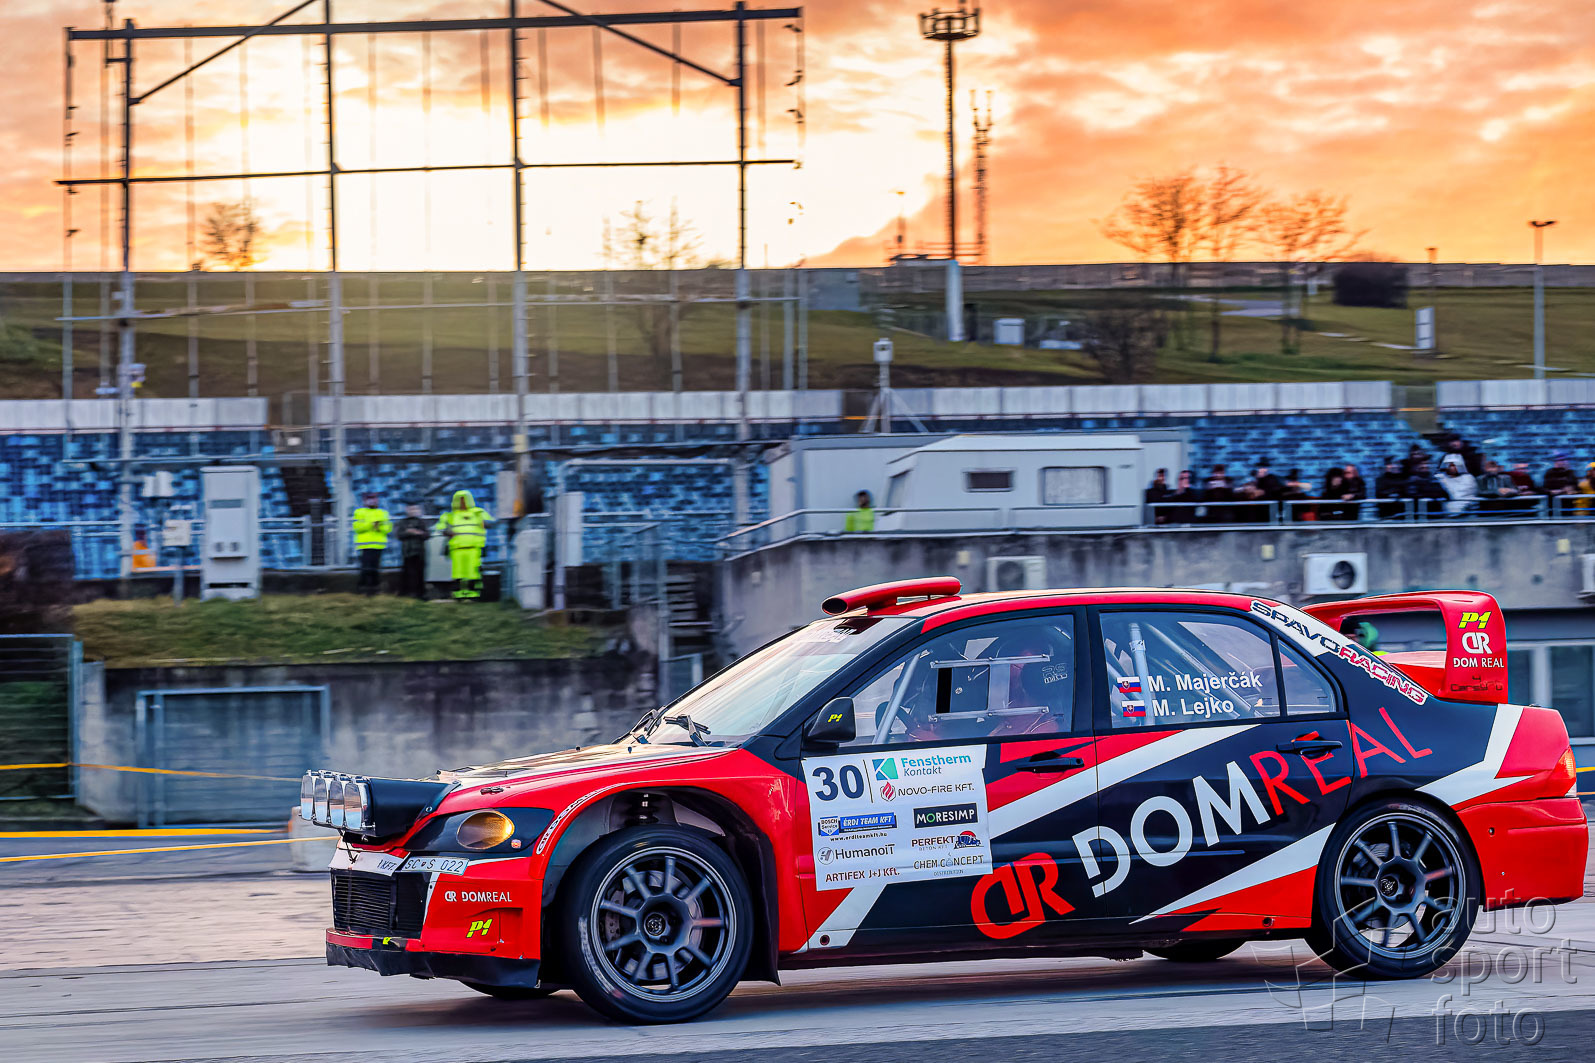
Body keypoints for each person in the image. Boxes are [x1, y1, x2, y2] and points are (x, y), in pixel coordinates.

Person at [434, 489, 493, 601]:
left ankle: (473, 595)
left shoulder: (478, 512)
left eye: (464, 500)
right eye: (460, 500)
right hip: (457, 548)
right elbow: (440, 528)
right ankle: (459, 595)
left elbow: (490, 523)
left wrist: (486, 523)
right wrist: (447, 531)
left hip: (474, 548)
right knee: (458, 572)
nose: (463, 502)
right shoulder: (450, 516)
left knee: (473, 572)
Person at [351, 492, 392, 595]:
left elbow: (388, 528)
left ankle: (375, 589)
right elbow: (357, 528)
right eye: (369, 499)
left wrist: (378, 527)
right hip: (364, 545)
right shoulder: (359, 512)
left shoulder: (383, 513)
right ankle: (363, 588)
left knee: (375, 568)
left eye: (374, 499)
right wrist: (371, 524)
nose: (372, 501)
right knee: (365, 568)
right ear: (364, 501)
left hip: (379, 545)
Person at [394, 502, 430, 599]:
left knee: (420, 573)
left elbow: (427, 535)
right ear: (407, 510)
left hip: (419, 552)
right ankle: (406, 592)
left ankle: (420, 593)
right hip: (407, 552)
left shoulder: (421, 522)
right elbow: (399, 535)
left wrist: (418, 533)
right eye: (411, 509)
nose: (413, 511)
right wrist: (409, 532)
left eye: (415, 509)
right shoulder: (402, 522)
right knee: (407, 573)